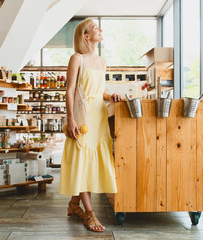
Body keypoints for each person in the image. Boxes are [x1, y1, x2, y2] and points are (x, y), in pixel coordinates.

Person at [59, 18, 122, 232]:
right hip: (83, 116)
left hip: (99, 115)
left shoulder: (102, 62)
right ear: (86, 36)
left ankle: (74, 204)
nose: (100, 29)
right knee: (83, 162)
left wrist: (110, 95)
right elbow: (69, 90)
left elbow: (99, 92)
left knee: (90, 162)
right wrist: (70, 119)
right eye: (95, 27)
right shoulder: (76, 58)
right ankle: (90, 215)